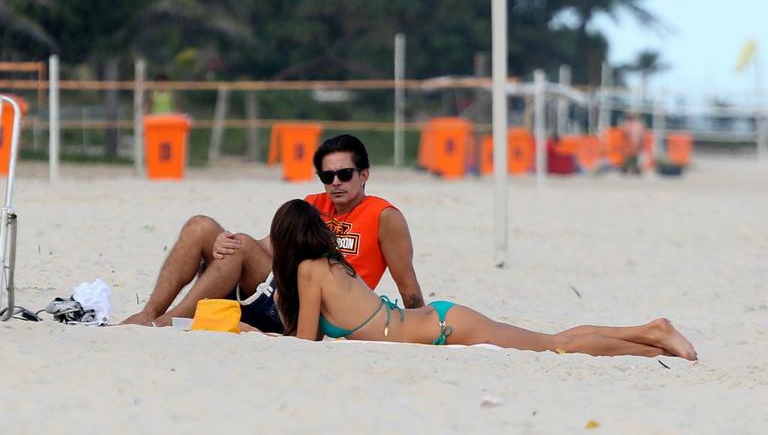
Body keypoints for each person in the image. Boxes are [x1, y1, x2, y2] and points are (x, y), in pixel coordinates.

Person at [270, 198, 698, 360]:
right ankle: (648, 343)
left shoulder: (309, 272)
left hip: (444, 328)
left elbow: (306, 344)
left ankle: (652, 331)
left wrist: (257, 329)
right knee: (553, 341)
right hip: (438, 322)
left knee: (556, 345)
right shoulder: (331, 264)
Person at [121, 134, 425, 331]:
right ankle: (149, 314)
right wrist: (223, 245)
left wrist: (420, 326)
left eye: (344, 174)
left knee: (240, 246)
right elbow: (270, 245)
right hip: (276, 293)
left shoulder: (384, 216)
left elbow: (408, 285)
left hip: (315, 312)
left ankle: (170, 321)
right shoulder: (312, 204)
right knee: (201, 226)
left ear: (364, 175)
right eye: (327, 176)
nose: (335, 182)